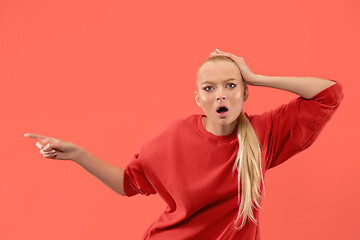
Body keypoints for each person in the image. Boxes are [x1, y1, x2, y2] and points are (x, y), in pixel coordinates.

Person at [24, 49, 344, 240]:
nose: (221, 94)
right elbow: (127, 183)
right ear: (198, 98)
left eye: (231, 85)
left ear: (244, 93)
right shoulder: (173, 139)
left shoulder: (263, 133)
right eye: (210, 87)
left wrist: (256, 76)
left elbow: (329, 93)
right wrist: (77, 154)